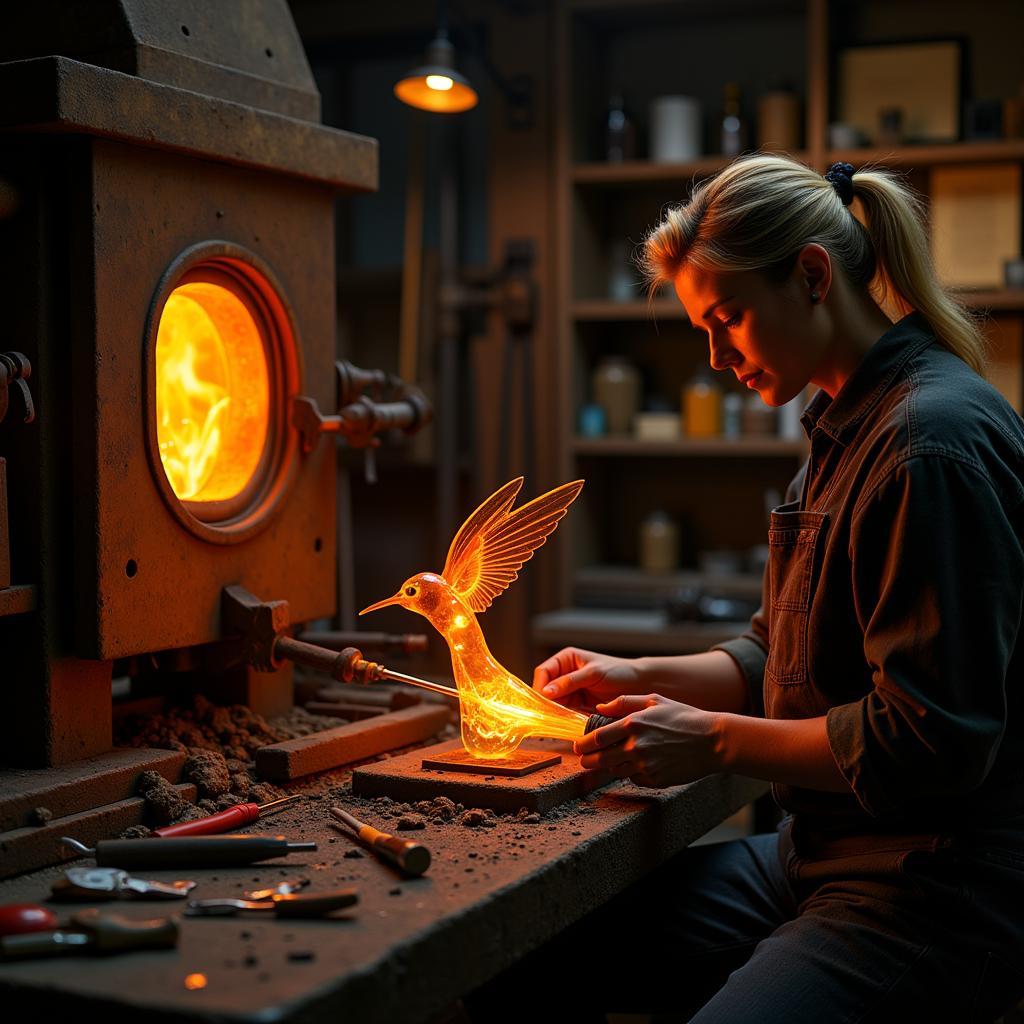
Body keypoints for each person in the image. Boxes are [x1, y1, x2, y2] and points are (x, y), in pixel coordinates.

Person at [461, 154, 1024, 1022]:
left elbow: (931, 741)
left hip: (932, 882)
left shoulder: (927, 443)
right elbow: (773, 654)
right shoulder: (842, 429)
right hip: (817, 852)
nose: (718, 358)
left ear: (809, 276)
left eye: (727, 320)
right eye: (703, 330)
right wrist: (637, 674)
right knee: (519, 948)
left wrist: (715, 742)